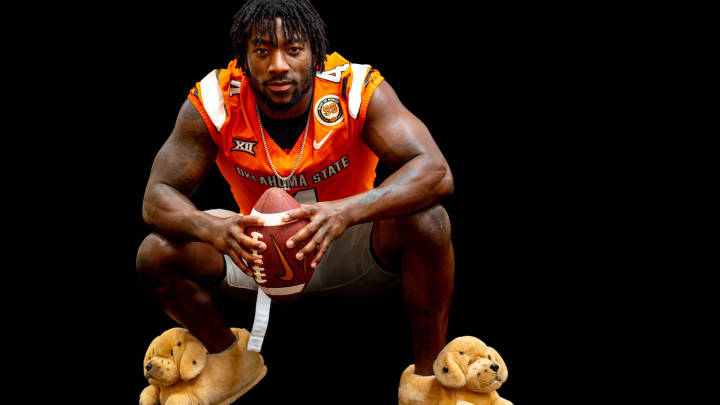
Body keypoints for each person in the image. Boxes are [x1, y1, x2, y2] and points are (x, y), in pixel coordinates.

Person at [136, 0, 454, 400]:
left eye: (294, 49)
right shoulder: (216, 99)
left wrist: (344, 211)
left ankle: (429, 381)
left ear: (316, 55)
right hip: (256, 253)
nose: (279, 65)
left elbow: (436, 171)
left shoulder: (353, 88)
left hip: (344, 243)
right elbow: (156, 197)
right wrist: (214, 228)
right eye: (263, 51)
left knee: (430, 221)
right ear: (244, 60)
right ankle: (229, 361)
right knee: (155, 253)